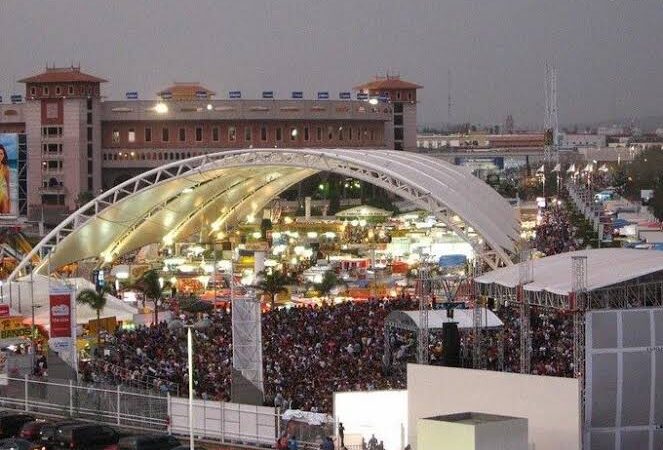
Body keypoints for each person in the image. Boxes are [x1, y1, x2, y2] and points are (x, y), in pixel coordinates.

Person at [0, 144, 11, 214]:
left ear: (3, 155)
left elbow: (8, 185)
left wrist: (9, 199)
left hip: (1, 196)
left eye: (1, 154)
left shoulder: (6, 168)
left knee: (4, 218)